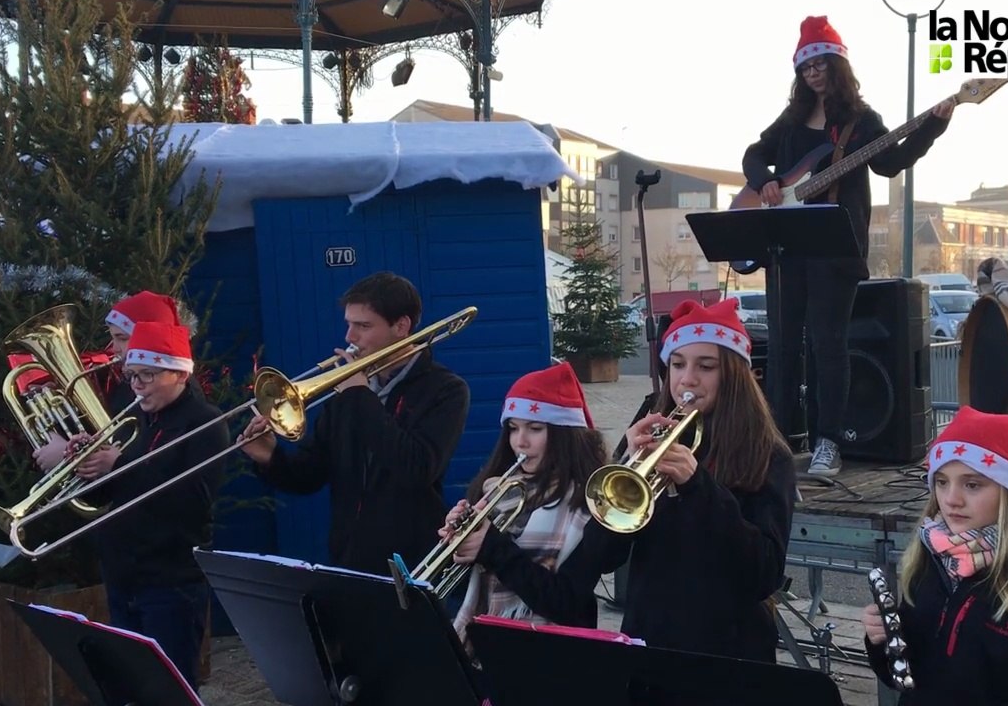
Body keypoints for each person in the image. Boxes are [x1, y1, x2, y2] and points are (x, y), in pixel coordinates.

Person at [469, 299, 796, 678]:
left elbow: (763, 575)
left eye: (705, 366)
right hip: (650, 645)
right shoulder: (652, 437)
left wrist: (697, 487)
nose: (686, 379)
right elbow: (599, 560)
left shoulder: (769, 456)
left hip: (728, 656)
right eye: (677, 364)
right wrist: (623, 466)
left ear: (735, 376)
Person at [742, 15, 954, 476]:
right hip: (787, 247)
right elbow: (753, 155)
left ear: (837, 66)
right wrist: (768, 183)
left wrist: (931, 128)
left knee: (828, 345)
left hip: (835, 250)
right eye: (805, 68)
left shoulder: (861, 122)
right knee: (781, 348)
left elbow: (891, 163)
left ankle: (828, 442)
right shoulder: (793, 120)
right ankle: (776, 442)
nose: (812, 73)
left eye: (819, 64)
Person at [239, 271, 471, 574]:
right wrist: (269, 457)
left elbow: (417, 468)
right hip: (349, 560)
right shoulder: (346, 394)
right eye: (349, 324)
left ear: (401, 326)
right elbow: (308, 476)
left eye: (363, 326)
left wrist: (360, 396)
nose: (350, 337)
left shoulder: (445, 389)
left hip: (412, 564)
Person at [860, 406, 1008, 704]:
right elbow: (907, 676)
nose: (951, 499)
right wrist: (883, 640)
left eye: (972, 484)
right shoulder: (929, 558)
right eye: (941, 482)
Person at [73, 320, 229, 692]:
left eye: (147, 375)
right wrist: (86, 467)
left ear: (179, 373)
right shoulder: (136, 419)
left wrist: (118, 464)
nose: (137, 386)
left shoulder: (205, 424)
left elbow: (189, 502)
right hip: (123, 575)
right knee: (130, 687)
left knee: (168, 690)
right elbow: (107, 496)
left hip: (170, 581)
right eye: (132, 376)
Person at [445, 362, 607, 649]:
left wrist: (492, 548)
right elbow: (474, 588)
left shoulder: (587, 504)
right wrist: (456, 545)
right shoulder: (495, 491)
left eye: (534, 429)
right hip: (487, 647)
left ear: (564, 433)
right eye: (513, 428)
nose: (520, 442)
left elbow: (565, 601)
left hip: (552, 655)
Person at [32, 290, 183, 473]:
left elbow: (133, 456)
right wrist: (54, 417)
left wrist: (68, 456)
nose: (114, 348)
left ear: (150, 336)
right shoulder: (121, 382)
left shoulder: (159, 392)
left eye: (122, 338)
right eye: (113, 338)